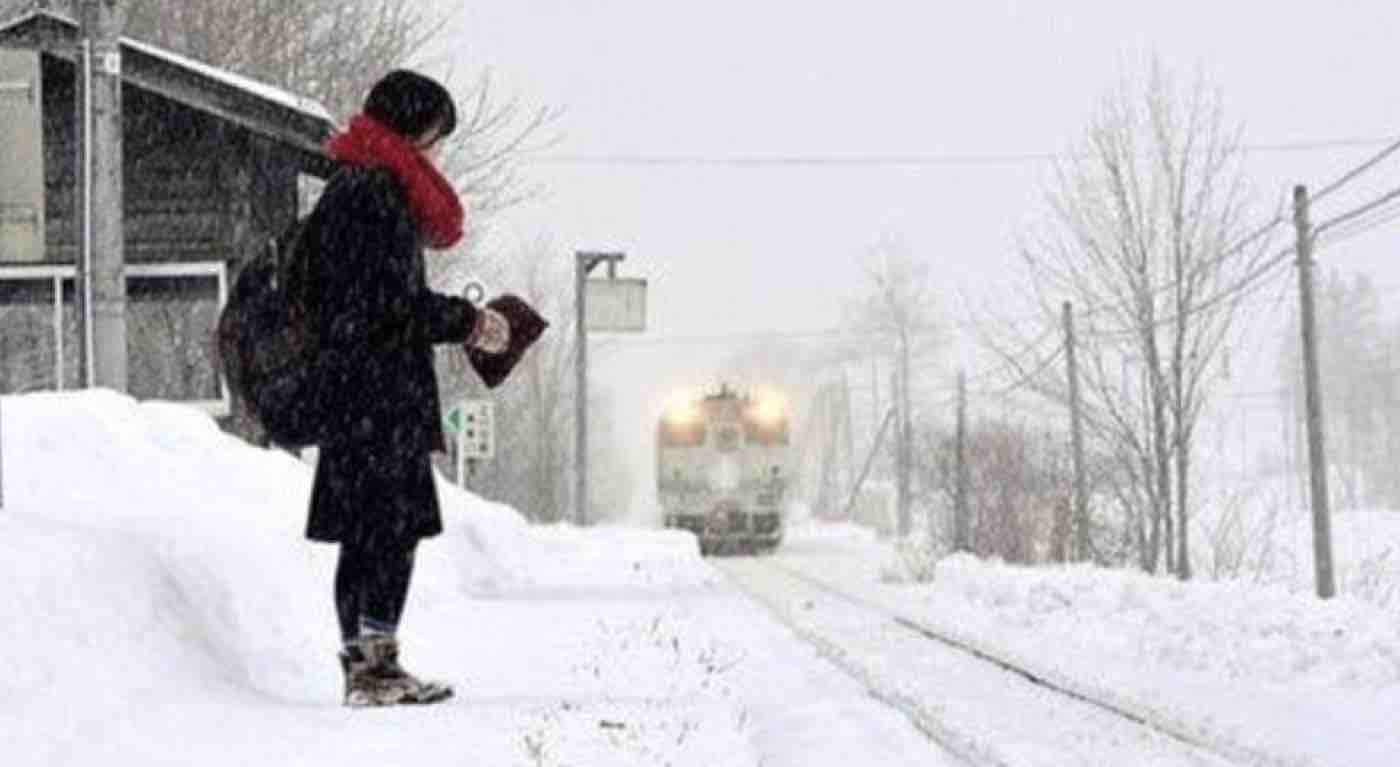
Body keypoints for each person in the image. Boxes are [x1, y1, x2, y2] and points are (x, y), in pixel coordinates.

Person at [300, 70, 509, 707]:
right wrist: (470, 322)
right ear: (413, 131)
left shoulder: (349, 187)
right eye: (435, 138)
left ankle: (366, 667)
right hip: (379, 397)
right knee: (388, 533)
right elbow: (393, 306)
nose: (437, 153)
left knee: (367, 533)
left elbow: (357, 301)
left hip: (351, 394)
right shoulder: (377, 194)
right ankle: (375, 668)